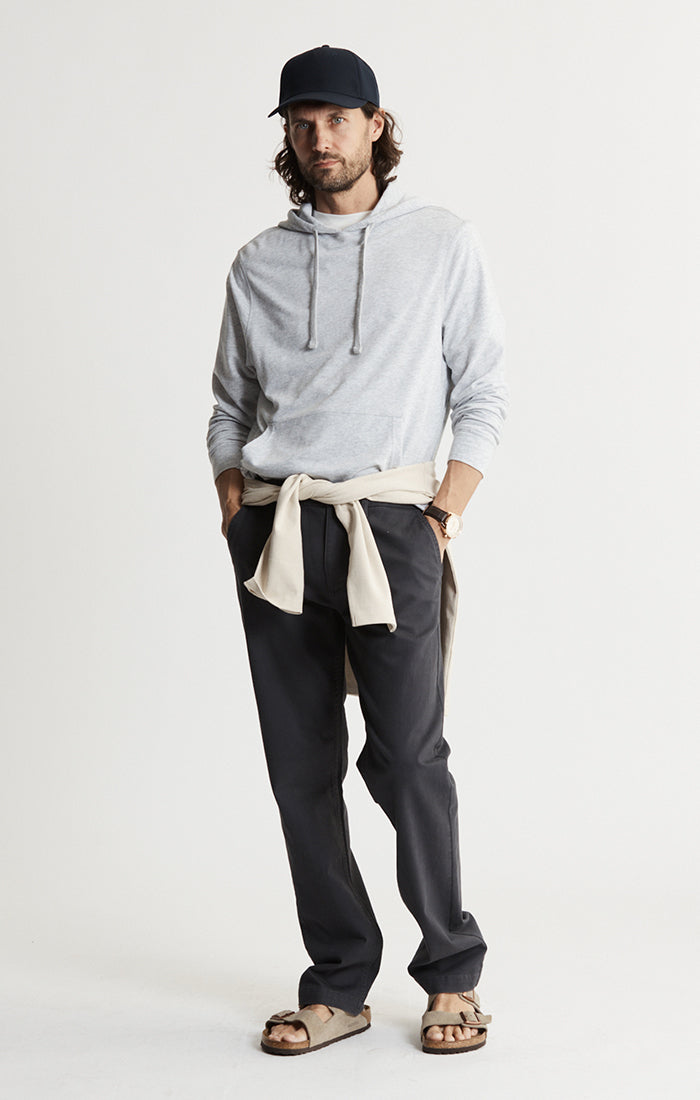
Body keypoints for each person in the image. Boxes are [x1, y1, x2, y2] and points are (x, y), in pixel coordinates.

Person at [206, 44, 509, 1057]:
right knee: (300, 767)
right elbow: (229, 406)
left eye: (337, 118)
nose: (319, 137)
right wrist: (235, 504)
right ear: (287, 137)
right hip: (279, 531)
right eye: (301, 122)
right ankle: (338, 981)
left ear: (376, 125)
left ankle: (451, 971)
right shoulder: (256, 263)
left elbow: (483, 387)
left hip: (392, 524)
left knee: (408, 756)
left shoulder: (441, 241)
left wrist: (441, 512)